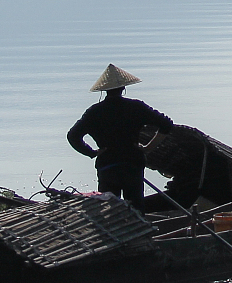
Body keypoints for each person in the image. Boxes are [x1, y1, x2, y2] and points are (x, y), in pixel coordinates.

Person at [66, 65, 175, 209]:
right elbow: (166, 125)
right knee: (136, 207)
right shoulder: (136, 107)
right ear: (123, 87)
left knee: (109, 209)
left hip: (108, 165)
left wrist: (92, 152)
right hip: (132, 163)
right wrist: (147, 148)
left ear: (104, 90)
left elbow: (73, 136)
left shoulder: (94, 111)